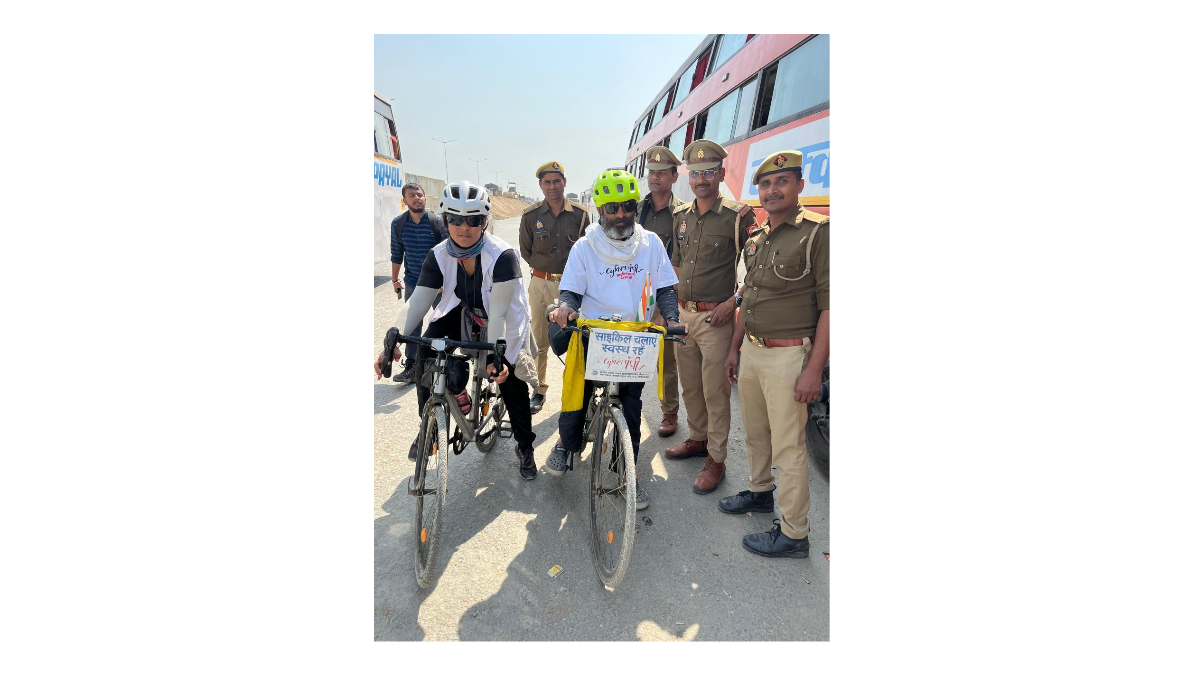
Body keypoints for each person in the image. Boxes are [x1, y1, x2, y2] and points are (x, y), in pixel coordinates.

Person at [375, 180, 541, 480]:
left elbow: (500, 316)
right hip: (464, 310)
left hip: (502, 321)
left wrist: (497, 359)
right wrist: (394, 338)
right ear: (445, 220)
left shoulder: (503, 256)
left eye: (473, 220)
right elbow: (417, 305)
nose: (464, 227)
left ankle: (525, 446)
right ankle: (430, 428)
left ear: (485, 221)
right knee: (425, 349)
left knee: (508, 381)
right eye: (455, 219)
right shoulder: (439, 255)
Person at [546, 169, 685, 510]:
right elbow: (571, 290)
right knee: (576, 393)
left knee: (633, 407)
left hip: (634, 340)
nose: (620, 215)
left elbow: (665, 287)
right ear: (599, 210)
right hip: (592, 333)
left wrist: (673, 318)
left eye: (626, 206)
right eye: (612, 208)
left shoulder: (650, 243)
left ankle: (625, 472)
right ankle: (566, 444)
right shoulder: (585, 246)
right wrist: (565, 307)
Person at [721, 151, 828, 557]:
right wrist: (734, 349)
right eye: (765, 184)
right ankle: (760, 491)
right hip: (752, 351)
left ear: (800, 185)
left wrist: (813, 369)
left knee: (788, 447)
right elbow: (749, 299)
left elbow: (831, 306)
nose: (772, 190)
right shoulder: (758, 238)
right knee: (756, 434)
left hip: (788, 357)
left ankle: (794, 534)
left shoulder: (818, 233)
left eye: (782, 181)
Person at [665, 139, 758, 496]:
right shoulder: (681, 217)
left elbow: (755, 270)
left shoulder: (738, 216)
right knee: (691, 386)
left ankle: (716, 459)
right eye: (696, 172)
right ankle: (697, 439)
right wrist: (672, 303)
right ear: (688, 176)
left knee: (716, 392)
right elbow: (675, 262)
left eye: (709, 172)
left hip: (717, 319)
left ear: (720, 172)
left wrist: (732, 302)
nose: (702, 179)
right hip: (685, 316)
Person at [518, 161, 590, 415]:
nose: (552, 186)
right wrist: (545, 272)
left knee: (575, 337)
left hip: (573, 286)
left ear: (564, 183)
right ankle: (539, 389)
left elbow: (587, 252)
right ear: (540, 185)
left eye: (556, 181)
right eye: (547, 182)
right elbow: (526, 251)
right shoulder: (530, 216)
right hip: (541, 283)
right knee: (539, 338)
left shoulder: (581, 215)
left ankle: (575, 390)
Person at [638, 146, 685, 438]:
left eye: (661, 173)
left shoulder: (681, 214)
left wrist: (660, 308)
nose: (655, 178)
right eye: (651, 173)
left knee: (666, 358)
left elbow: (679, 260)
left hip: (664, 293)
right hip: (633, 291)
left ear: (674, 176)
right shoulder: (636, 208)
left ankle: (669, 412)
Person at [389, 183, 446, 384]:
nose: (416, 198)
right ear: (405, 201)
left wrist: (446, 281)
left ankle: (444, 364)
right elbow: (396, 254)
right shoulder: (398, 224)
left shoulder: (436, 222)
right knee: (411, 324)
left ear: (424, 198)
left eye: (419, 194)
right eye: (411, 195)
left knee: (442, 322)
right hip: (413, 281)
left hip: (439, 284)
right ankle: (413, 365)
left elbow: (449, 252)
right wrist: (395, 279)